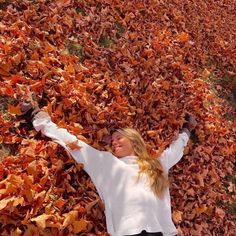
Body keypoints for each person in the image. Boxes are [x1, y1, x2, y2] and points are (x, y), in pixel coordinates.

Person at [20, 95, 197, 236]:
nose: (114, 143)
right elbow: (73, 143)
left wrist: (187, 131)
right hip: (130, 231)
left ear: (134, 141)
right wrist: (37, 116)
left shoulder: (157, 165)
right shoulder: (107, 163)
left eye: (119, 138)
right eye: (112, 141)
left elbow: (175, 150)